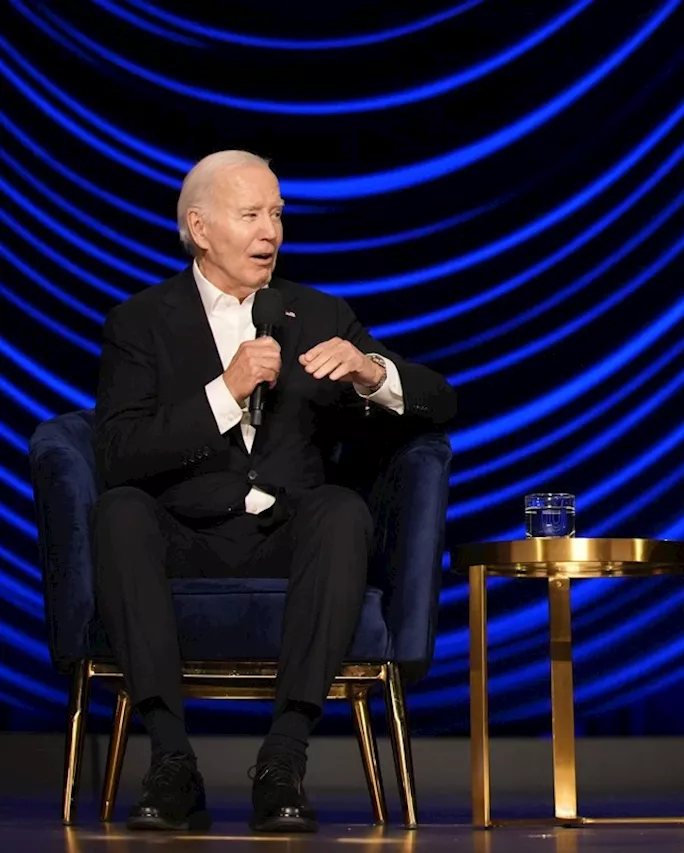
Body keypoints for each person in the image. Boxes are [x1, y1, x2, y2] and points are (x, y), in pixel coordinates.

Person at [91, 150, 456, 833]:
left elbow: (440, 404)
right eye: (252, 215)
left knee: (342, 511)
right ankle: (172, 761)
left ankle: (283, 759)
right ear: (201, 229)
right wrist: (223, 391)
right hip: (185, 539)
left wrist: (371, 372)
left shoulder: (318, 313)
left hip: (292, 542)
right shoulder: (140, 323)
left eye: (278, 214)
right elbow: (117, 453)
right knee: (117, 512)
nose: (271, 232)